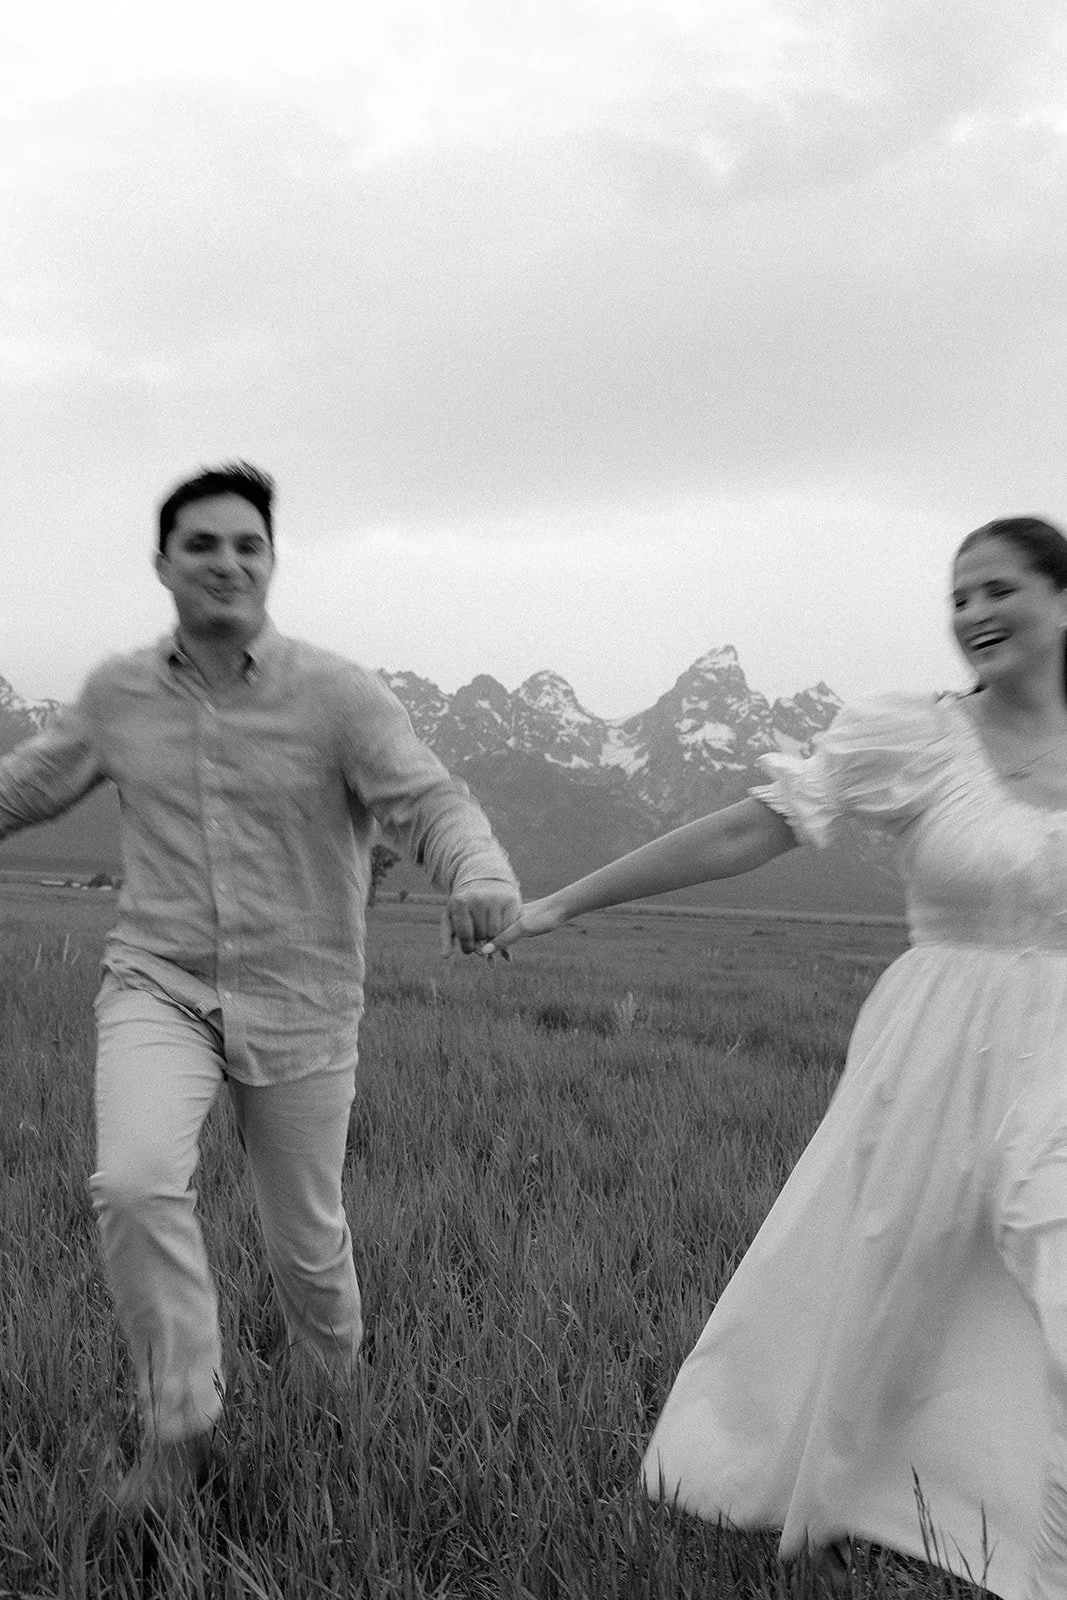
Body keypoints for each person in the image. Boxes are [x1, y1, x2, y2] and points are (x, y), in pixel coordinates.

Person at [490, 517, 1067, 1600]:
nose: (970, 615)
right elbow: (740, 833)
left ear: (1060, 599)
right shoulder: (914, 738)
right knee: (896, 1293)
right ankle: (873, 1493)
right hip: (937, 1056)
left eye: (995, 589)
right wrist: (560, 901)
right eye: (955, 597)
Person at [0, 462, 520, 1507]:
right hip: (160, 982)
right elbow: (25, 787)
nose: (227, 562)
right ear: (163, 564)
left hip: (303, 997)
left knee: (307, 1243)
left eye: (248, 544)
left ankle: (334, 1397)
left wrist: (478, 870)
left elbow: (431, 801)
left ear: (272, 563)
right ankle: (179, 1430)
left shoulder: (337, 695)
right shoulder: (118, 693)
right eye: (203, 544)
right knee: (136, 1182)